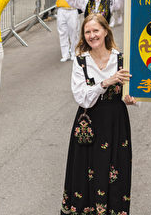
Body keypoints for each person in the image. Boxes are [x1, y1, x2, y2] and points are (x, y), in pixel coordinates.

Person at [60, 14, 134, 215]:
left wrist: (131, 99)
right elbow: (82, 98)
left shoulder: (122, 59)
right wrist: (105, 82)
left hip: (115, 124)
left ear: (106, 31)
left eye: (96, 30)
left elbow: (133, 93)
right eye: (87, 32)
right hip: (89, 124)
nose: (92, 35)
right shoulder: (81, 61)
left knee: (115, 172)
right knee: (85, 173)